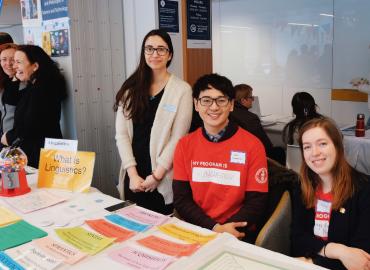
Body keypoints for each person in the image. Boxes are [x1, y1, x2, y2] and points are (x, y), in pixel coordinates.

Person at [173, 73, 268, 243]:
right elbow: (181, 199)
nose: (214, 107)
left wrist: (226, 231)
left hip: (237, 233)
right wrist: (214, 228)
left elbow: (257, 203)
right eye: (206, 100)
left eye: (221, 100)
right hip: (198, 230)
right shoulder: (184, 145)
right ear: (196, 104)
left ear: (231, 105)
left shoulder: (253, 145)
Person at [114, 29, 193, 215]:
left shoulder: (182, 90)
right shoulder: (131, 89)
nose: (154, 54)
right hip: (133, 175)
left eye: (161, 49)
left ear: (170, 55)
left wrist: (157, 175)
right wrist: (132, 174)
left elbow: (178, 138)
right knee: (132, 225)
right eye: (149, 49)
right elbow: (122, 135)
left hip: (162, 177)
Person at [291, 117, 370, 270]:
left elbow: (362, 260)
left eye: (322, 144)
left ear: (338, 146)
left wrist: (313, 262)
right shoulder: (302, 187)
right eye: (307, 147)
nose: (314, 153)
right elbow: (298, 240)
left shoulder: (365, 191)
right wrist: (337, 250)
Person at [1, 45, 67, 167]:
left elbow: (31, 124)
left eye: (18, 62)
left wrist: (9, 137)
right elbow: (10, 98)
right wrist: (17, 75)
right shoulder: (35, 85)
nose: (14, 66)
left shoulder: (43, 89)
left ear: (35, 66)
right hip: (37, 151)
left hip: (41, 154)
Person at [230, 84, 285, 165]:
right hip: (253, 157)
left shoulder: (227, 114)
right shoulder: (251, 118)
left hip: (234, 155)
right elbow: (266, 145)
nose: (253, 100)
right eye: (251, 97)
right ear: (243, 100)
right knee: (279, 151)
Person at [0, 43, 22, 141]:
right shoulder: (5, 81)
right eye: (4, 59)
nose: (8, 63)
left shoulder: (25, 83)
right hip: (5, 139)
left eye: (12, 59)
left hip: (18, 139)